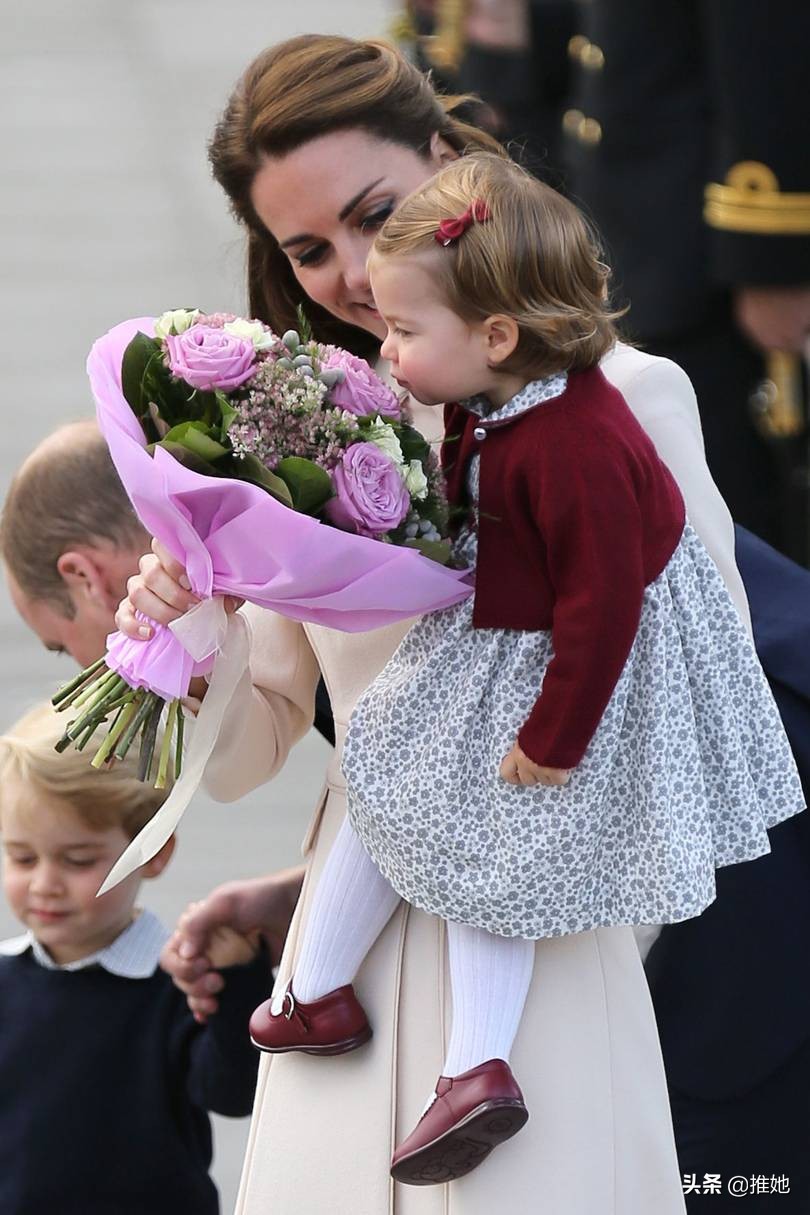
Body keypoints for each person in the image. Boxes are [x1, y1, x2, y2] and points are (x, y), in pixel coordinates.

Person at [124, 33, 754, 1214]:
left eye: (376, 213)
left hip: (547, 990)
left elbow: (686, 720)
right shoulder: (293, 440)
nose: (355, 272)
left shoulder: (631, 404)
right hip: (336, 1013)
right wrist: (194, 621)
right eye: (307, 249)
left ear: (450, 156)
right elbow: (253, 752)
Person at [243, 152, 803, 1184]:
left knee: (489, 861)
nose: (388, 342)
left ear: (496, 335)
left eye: (408, 332)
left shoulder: (579, 437)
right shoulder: (501, 397)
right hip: (502, 642)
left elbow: (604, 614)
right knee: (381, 773)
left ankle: (473, 1064)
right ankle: (311, 995)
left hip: (550, 674)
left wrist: (554, 742)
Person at [0, 701, 269, 1215]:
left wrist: (238, 975)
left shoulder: (181, 984)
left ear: (155, 850)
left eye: (78, 860)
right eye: (22, 857)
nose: (44, 884)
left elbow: (233, 1094)